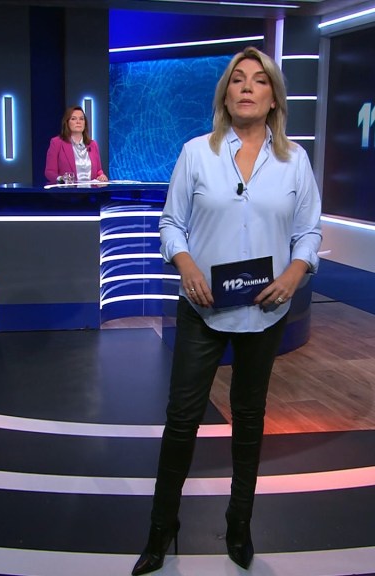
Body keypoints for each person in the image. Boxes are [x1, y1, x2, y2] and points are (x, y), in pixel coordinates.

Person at [132, 46, 322, 575]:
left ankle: (239, 525)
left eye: (258, 81)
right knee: (181, 420)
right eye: (238, 79)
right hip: (203, 307)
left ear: (273, 98)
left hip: (265, 310)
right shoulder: (197, 152)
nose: (246, 88)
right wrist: (186, 265)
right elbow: (171, 224)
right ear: (225, 94)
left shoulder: (294, 160)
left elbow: (309, 231)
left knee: (250, 421)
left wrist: (294, 273)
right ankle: (161, 529)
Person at [44, 106, 109, 183]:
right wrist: (61, 179)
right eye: (73, 119)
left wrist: (101, 176)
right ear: (67, 122)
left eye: (81, 119)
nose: (78, 122)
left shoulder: (93, 144)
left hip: (91, 189)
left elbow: (98, 170)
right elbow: (50, 172)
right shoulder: (57, 143)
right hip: (68, 189)